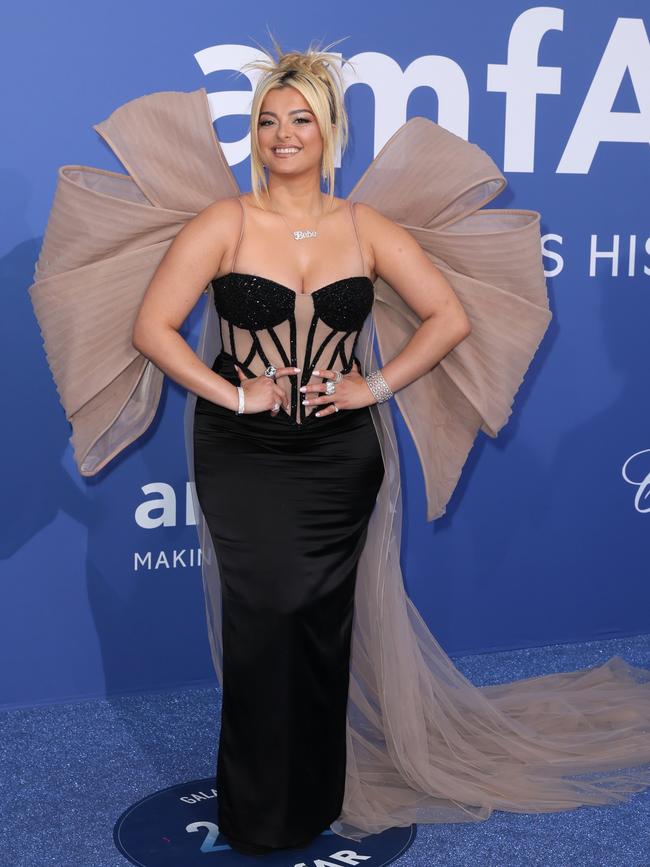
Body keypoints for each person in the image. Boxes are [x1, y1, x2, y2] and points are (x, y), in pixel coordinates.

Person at [29, 36, 650, 861]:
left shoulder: (365, 227)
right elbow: (151, 328)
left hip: (339, 455)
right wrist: (235, 391)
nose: (283, 134)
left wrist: (373, 386)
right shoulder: (224, 221)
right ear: (254, 134)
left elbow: (449, 317)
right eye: (268, 120)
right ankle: (256, 809)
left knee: (320, 622)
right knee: (263, 619)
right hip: (241, 450)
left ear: (328, 134)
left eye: (301, 120)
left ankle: (318, 792)